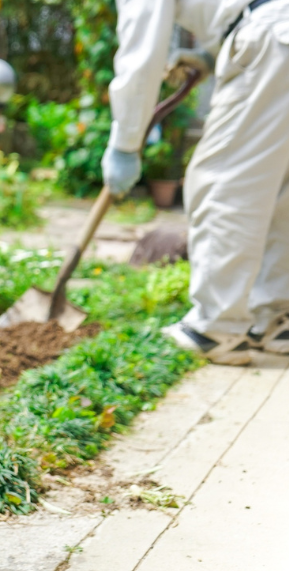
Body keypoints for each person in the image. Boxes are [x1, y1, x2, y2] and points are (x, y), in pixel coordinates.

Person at [103, 0, 289, 365]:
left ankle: (215, 327)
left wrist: (124, 143)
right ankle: (275, 318)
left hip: (273, 36)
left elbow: (142, 52)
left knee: (223, 181)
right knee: (281, 187)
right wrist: (210, 52)